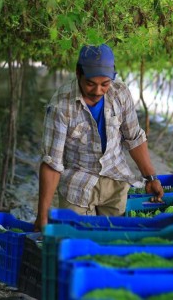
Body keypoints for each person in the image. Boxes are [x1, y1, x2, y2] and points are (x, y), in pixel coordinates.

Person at [34, 44, 164, 231]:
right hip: (77, 185)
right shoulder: (60, 106)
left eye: (105, 84)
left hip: (116, 179)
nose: (97, 91)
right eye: (90, 84)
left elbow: (134, 138)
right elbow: (52, 163)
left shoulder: (120, 94)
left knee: (116, 240)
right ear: (78, 73)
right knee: (78, 243)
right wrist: (42, 214)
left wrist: (151, 177)